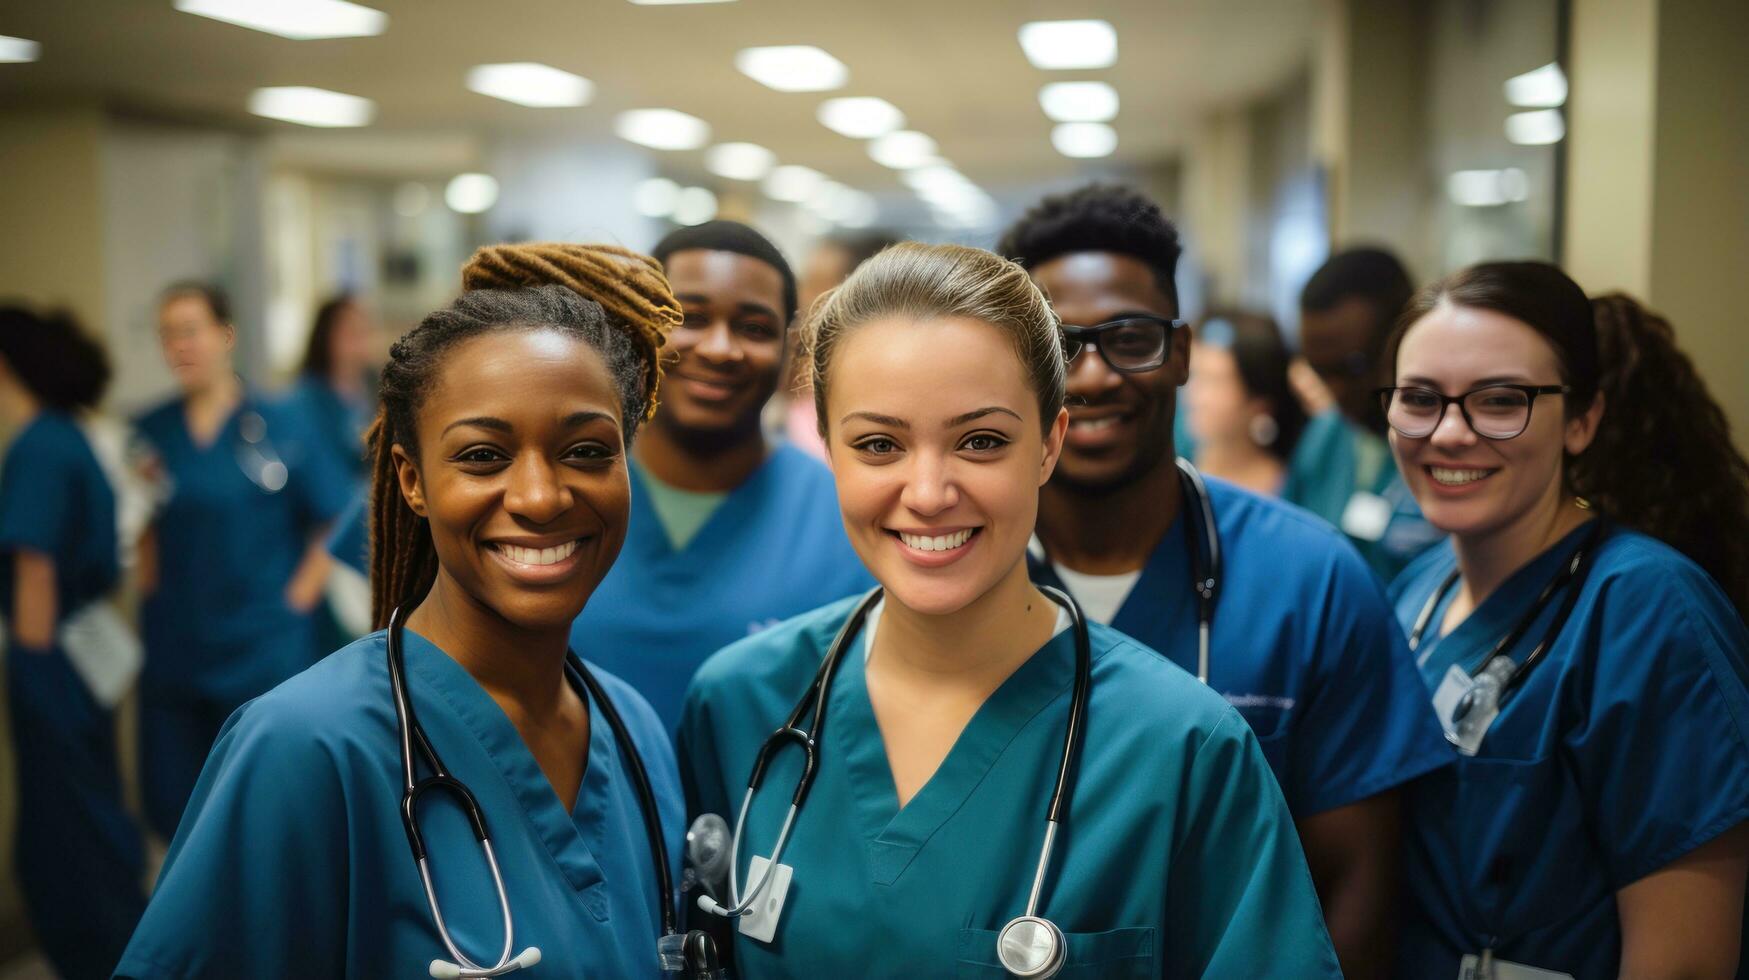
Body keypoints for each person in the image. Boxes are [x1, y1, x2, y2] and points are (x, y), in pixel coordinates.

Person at [679, 242, 1340, 977]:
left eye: (981, 441)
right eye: (877, 444)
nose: (928, 492)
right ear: (827, 449)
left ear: (1050, 445)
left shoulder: (1181, 746)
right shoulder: (741, 705)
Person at [117, 244, 692, 977]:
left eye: (586, 450)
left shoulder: (633, 730)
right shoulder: (306, 747)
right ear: (412, 481)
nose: (541, 497)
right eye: (483, 456)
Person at [996, 184, 1448, 978]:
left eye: (1129, 338)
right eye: (1058, 344)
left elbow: (1356, 887)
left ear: (1181, 353)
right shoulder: (960, 573)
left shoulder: (1310, 579)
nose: (1093, 376)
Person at [1383, 263, 1749, 977]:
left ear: (1581, 420)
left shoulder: (1646, 611)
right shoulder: (1414, 594)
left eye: (1498, 400)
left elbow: (1683, 963)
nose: (1449, 433)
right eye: (1418, 399)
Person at [565, 220, 871, 728]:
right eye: (689, 317)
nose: (719, 348)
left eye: (754, 328)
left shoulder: (844, 514)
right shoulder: (563, 496)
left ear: (790, 348)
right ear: (637, 325)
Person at [132, 282, 352, 840]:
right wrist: (149, 592)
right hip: (177, 647)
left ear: (225, 335)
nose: (179, 346)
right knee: (182, 810)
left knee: (268, 807)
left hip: (263, 645)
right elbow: (140, 529)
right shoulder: (148, 434)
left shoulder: (279, 422)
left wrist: (294, 601)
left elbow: (334, 519)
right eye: (167, 334)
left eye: (190, 330)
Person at [0, 306, 146, 979]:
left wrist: (31, 672)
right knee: (95, 815)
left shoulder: (37, 448)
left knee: (63, 836)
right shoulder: (71, 438)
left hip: (53, 661)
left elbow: (34, 569)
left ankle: (105, 958)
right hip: (86, 656)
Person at [1290, 247, 1442, 579]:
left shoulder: (1448, 446)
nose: (1336, 390)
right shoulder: (1325, 438)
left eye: (1353, 367)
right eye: (1321, 370)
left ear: (1402, 337)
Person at [782, 230, 905, 457]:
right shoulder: (792, 371)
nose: (802, 297)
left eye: (818, 284)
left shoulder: (872, 384)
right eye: (804, 281)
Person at [1183, 309, 1307, 495]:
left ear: (1260, 403)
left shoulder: (1293, 490)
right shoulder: (1171, 472)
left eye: (1215, 382)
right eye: (1195, 375)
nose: (1195, 394)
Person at [288, 293, 377, 479]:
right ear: (327, 338)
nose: (360, 344)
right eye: (351, 334)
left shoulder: (375, 391)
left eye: (364, 332)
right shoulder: (307, 400)